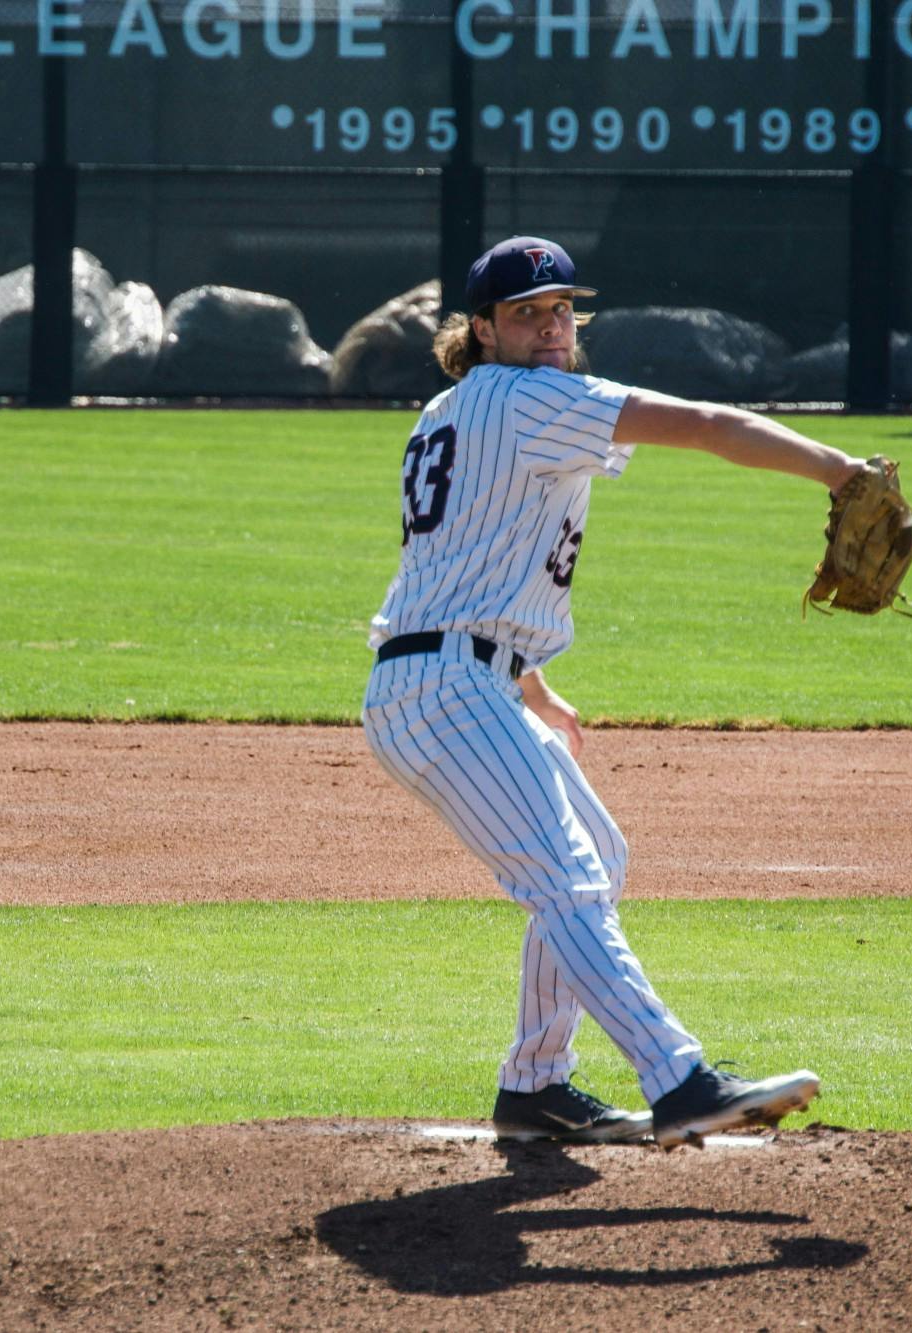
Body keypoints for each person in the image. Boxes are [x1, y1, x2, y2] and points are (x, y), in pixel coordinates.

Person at [362, 237, 858, 1149]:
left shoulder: (451, 406)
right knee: (566, 878)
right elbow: (709, 423)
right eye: (526, 314)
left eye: (561, 311)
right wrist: (839, 469)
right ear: (482, 328)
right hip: (444, 685)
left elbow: (464, 557)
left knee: (595, 851)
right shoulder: (528, 397)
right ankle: (680, 1079)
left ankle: (536, 1086)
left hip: (452, 676)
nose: (551, 327)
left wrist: (534, 686)